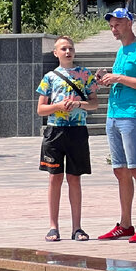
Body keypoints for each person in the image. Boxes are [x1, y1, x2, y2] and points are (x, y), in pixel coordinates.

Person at [97, 8, 136, 244]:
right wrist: (106, 79)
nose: (114, 29)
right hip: (113, 115)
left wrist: (118, 78)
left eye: (118, 24)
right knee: (119, 169)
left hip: (132, 116)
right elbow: (122, 79)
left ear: (129, 23)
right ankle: (125, 224)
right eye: (111, 25)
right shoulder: (121, 51)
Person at [36, 35, 98, 243]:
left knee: (75, 178)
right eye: (63, 48)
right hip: (55, 132)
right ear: (55, 53)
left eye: (70, 48)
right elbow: (41, 109)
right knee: (55, 178)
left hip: (77, 131)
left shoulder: (84, 75)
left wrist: (79, 104)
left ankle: (77, 227)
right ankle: (53, 226)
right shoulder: (49, 77)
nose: (67, 52)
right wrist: (58, 107)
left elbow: (94, 104)